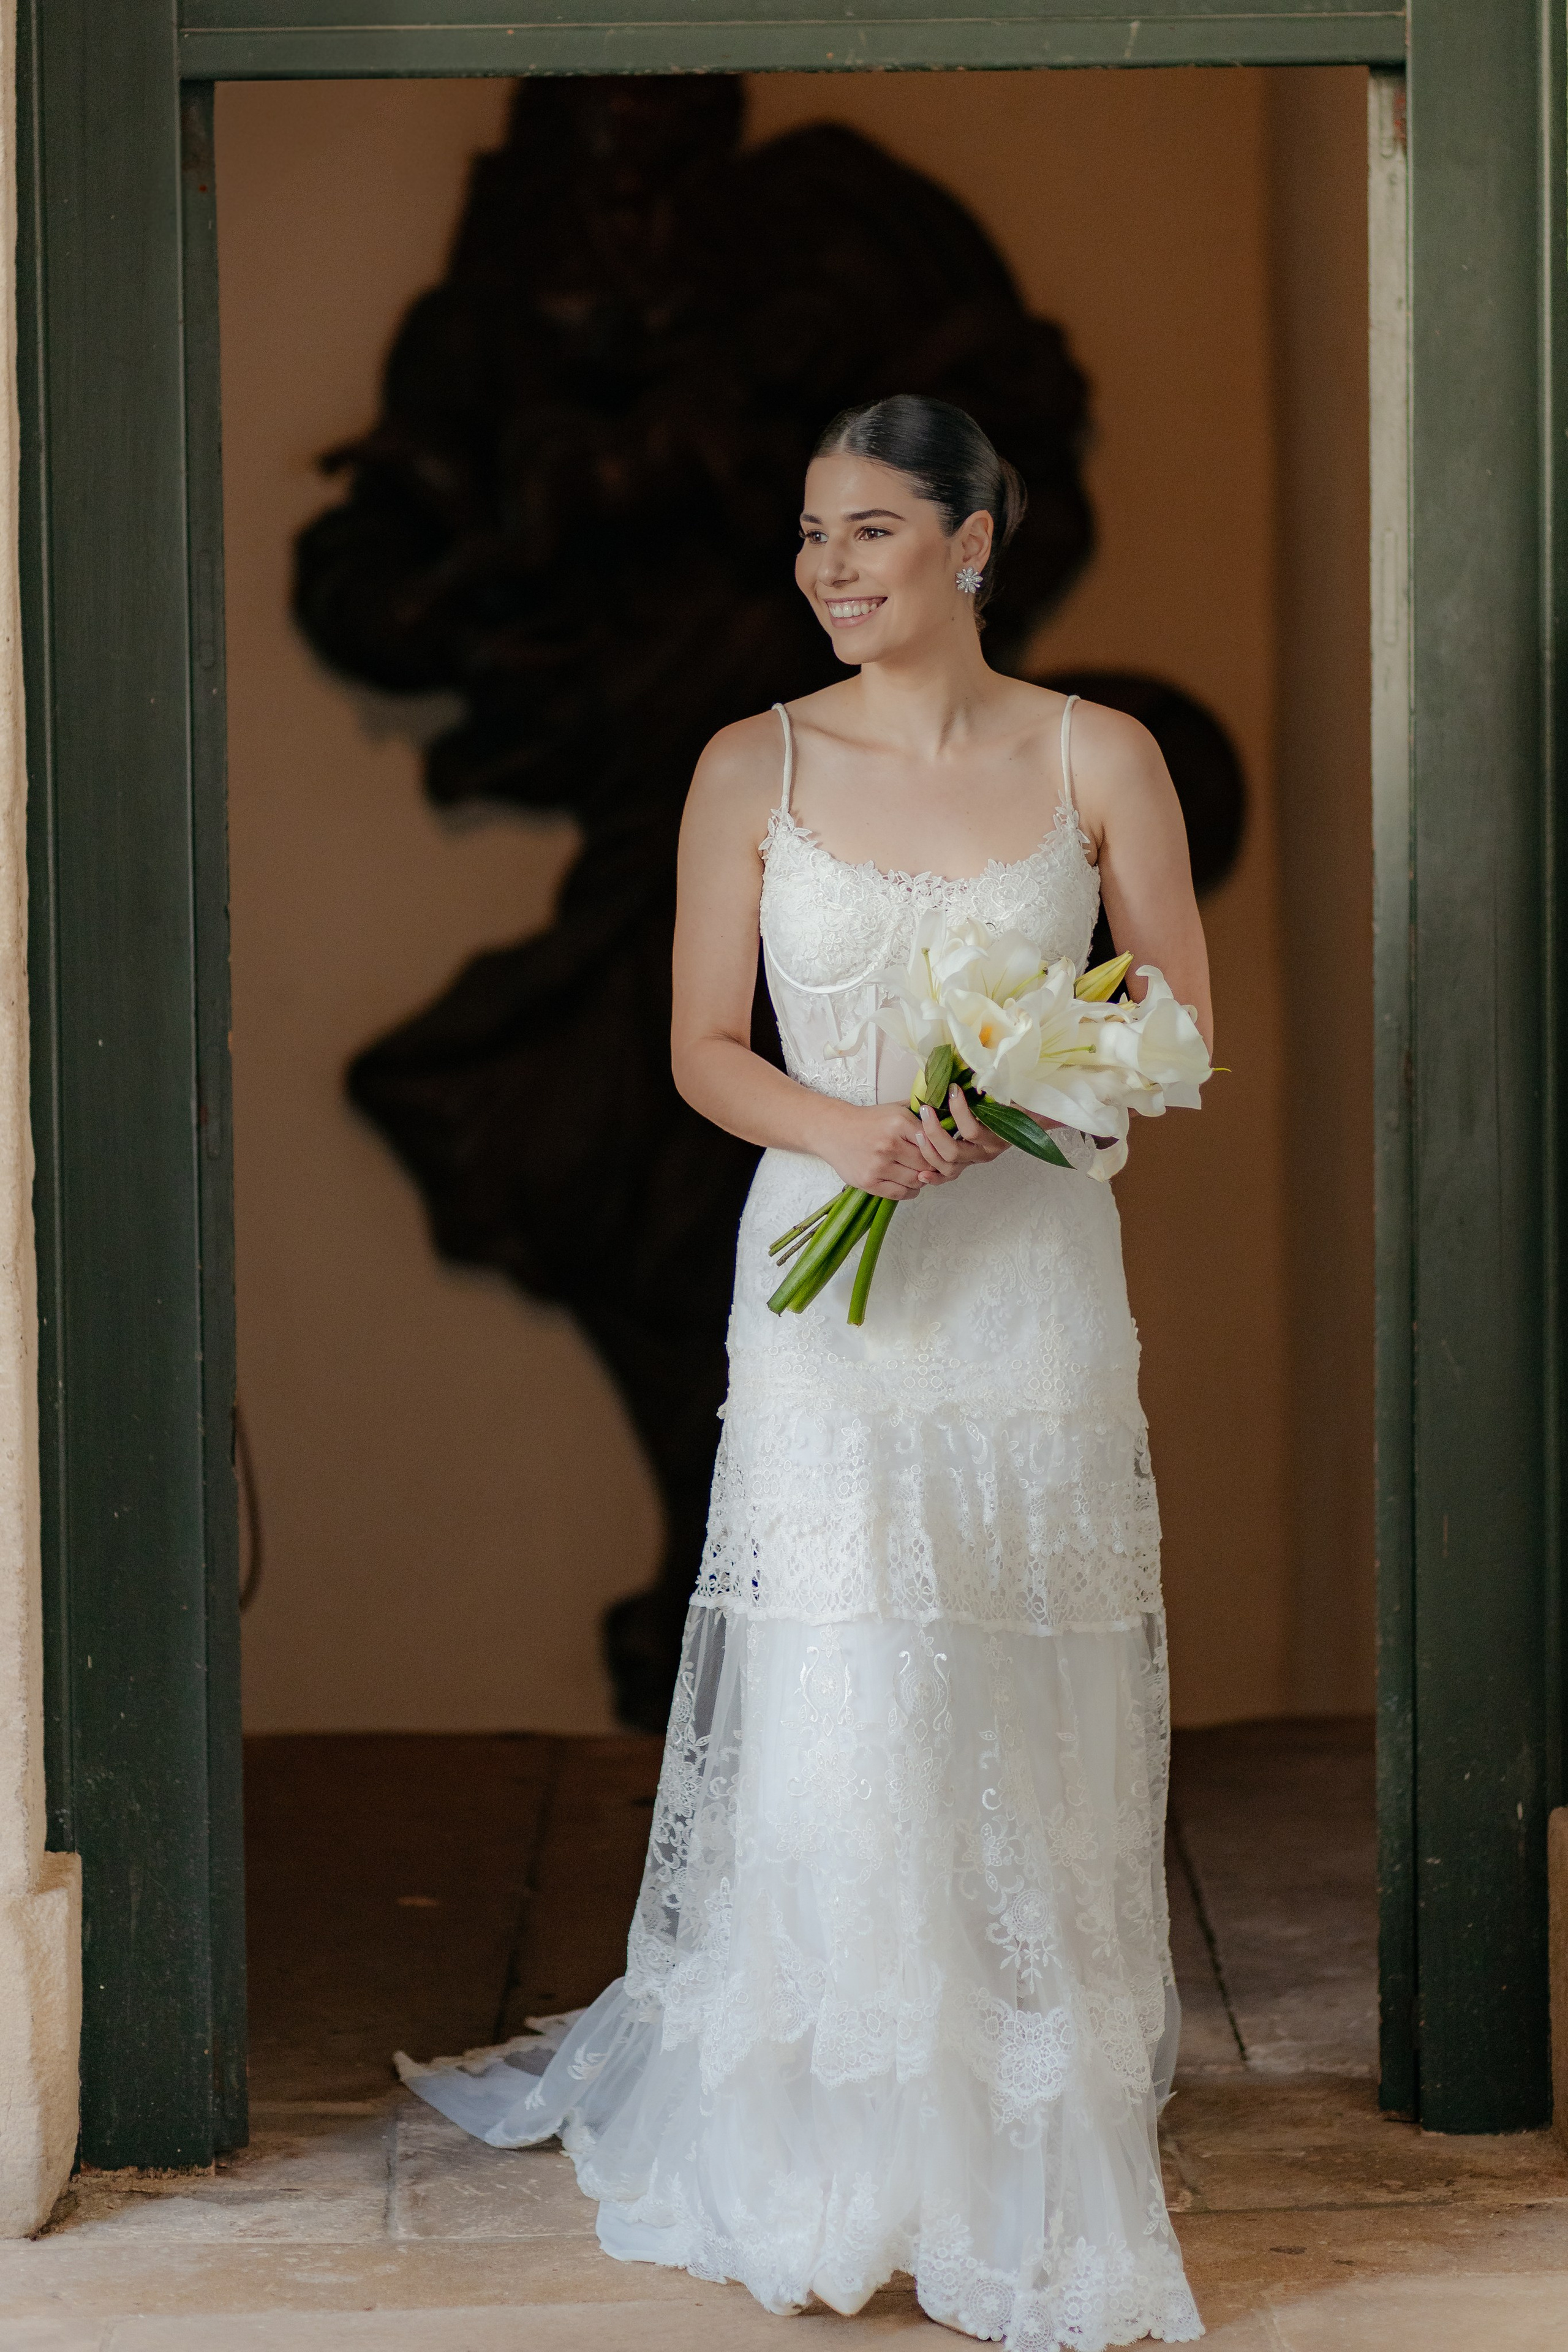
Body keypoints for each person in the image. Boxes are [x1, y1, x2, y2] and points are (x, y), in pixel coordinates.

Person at [398, 394, 1211, 2351]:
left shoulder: (1100, 752)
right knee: (850, 1681)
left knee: (1021, 1675)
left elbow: (1176, 1025)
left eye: (869, 531)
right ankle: (845, 2147)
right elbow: (700, 1044)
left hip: (1027, 1290)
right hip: (831, 1295)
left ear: (976, 542)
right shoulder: (743, 763)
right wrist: (851, 1133)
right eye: (810, 537)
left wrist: (1033, 1094)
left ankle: (1019, 2133)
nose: (827, 569)